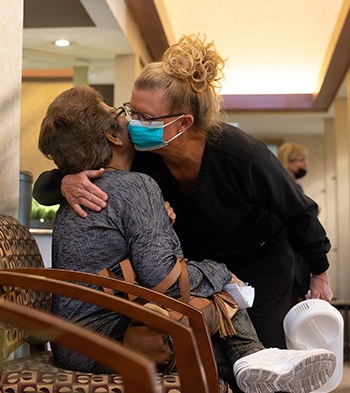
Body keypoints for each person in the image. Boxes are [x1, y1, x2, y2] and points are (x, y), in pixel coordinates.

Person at [33, 34, 332, 351]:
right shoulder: (142, 157)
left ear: (183, 123)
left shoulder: (242, 156)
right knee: (215, 354)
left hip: (259, 260)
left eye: (146, 117)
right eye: (132, 111)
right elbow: (51, 183)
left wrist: (319, 274)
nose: (134, 123)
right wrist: (65, 182)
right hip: (197, 269)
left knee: (261, 351)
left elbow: (299, 212)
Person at [277, 142, 314, 306]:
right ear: (289, 162)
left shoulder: (289, 187)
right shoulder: (289, 188)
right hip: (287, 255)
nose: (305, 164)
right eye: (302, 160)